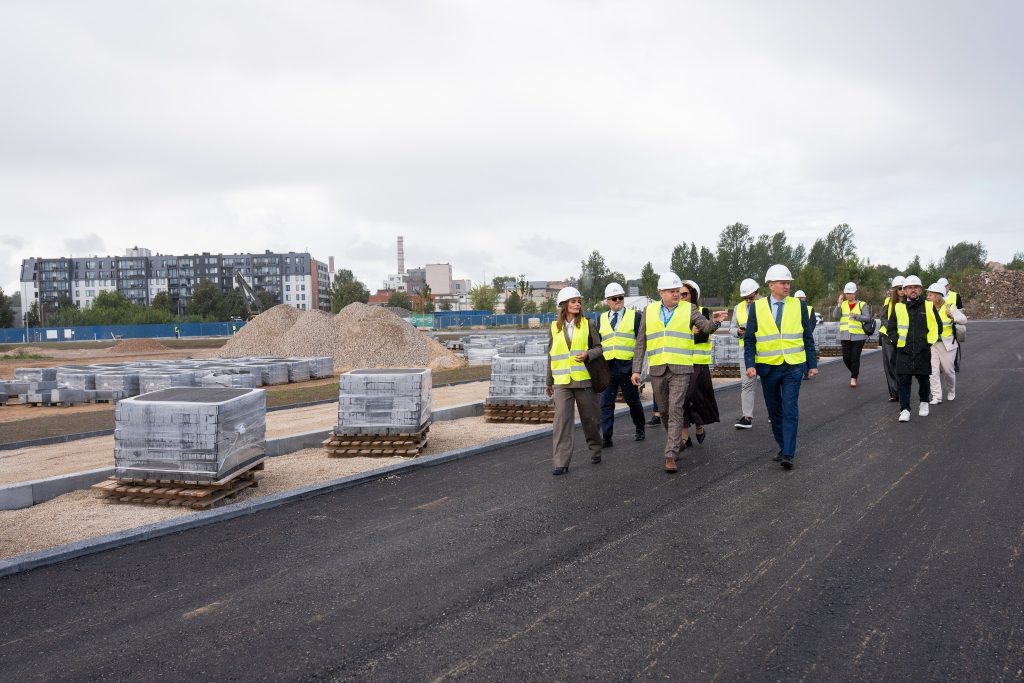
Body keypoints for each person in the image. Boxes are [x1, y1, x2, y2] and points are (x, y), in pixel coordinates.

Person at [631, 272, 728, 473]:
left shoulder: (689, 309)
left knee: (676, 408)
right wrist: (636, 369)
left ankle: (670, 454)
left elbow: (706, 327)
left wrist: (716, 322)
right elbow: (641, 342)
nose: (676, 295)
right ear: (661, 292)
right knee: (664, 411)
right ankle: (676, 441)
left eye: (677, 291)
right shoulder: (649, 311)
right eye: (671, 291)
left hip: (682, 368)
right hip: (658, 368)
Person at [743, 264, 818, 469]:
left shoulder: (799, 306)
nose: (787, 286)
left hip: (794, 366)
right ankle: (783, 445)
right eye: (783, 283)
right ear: (771, 285)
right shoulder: (757, 308)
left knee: (789, 407)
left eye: (789, 283)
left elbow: (807, 337)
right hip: (768, 367)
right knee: (774, 410)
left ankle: (788, 453)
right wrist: (750, 364)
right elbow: (749, 339)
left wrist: (812, 363)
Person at [546, 286, 603, 475]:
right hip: (562, 382)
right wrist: (549, 381)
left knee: (590, 420)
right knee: (561, 421)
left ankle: (595, 448)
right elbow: (551, 355)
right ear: (563, 305)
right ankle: (561, 462)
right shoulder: (554, 328)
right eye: (573, 301)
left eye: (578, 301)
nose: (577, 304)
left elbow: (599, 348)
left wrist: (588, 354)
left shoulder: (589, 324)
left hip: (584, 380)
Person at [598, 282, 646, 447]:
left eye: (620, 297)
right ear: (608, 301)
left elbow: (641, 343)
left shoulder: (635, 317)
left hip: (627, 367)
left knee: (632, 400)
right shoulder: (601, 319)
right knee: (605, 403)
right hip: (608, 368)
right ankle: (606, 436)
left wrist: (637, 369)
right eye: (614, 298)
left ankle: (640, 427)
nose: (618, 300)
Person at [886, 275, 939, 422]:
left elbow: (937, 326)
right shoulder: (898, 307)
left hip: (922, 351)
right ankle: (904, 410)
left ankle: (924, 402)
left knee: (923, 379)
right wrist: (897, 342)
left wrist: (927, 343)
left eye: (915, 287)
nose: (913, 290)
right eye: (910, 287)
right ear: (905, 290)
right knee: (904, 382)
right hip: (904, 351)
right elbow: (891, 329)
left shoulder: (928, 306)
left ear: (920, 289)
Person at [678, 280, 720, 450]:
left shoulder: (702, 311)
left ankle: (699, 425)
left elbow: (703, 336)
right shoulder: (677, 314)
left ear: (693, 295)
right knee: (683, 399)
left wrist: (687, 334)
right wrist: (690, 332)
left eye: (685, 294)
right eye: (679, 294)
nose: (681, 297)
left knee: (697, 398)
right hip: (682, 363)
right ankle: (684, 436)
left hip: (699, 364)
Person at [925, 282, 966, 405]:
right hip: (932, 344)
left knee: (948, 371)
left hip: (947, 344)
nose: (927, 296)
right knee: (933, 371)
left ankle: (951, 390)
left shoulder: (949, 306)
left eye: (930, 294)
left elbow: (964, 320)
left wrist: (952, 316)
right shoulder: (927, 307)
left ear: (937, 296)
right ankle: (936, 396)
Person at [730, 278, 760, 428]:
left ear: (757, 292)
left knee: (772, 383)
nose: (748, 301)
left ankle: (776, 414)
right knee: (747, 383)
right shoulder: (738, 308)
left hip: (766, 349)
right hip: (746, 351)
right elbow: (731, 328)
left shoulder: (767, 305)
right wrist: (737, 331)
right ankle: (747, 417)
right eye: (745, 298)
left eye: (751, 297)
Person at [833, 282, 873, 388]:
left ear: (855, 293)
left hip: (858, 335)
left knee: (855, 357)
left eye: (850, 293)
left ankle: (853, 378)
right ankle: (855, 372)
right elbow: (835, 316)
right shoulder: (843, 304)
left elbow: (867, 318)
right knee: (846, 358)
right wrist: (839, 304)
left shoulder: (862, 304)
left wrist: (856, 316)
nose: (848, 295)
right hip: (845, 335)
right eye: (847, 293)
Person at [878, 276, 905, 402]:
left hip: (902, 337)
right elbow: (883, 317)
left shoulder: (909, 302)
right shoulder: (888, 301)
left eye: (904, 288)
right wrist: (891, 330)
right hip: (888, 336)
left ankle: (903, 390)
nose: (902, 290)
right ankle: (894, 393)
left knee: (902, 365)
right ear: (895, 290)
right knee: (889, 364)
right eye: (899, 288)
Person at [794, 290, 817, 380]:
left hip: (806, 334)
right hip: (796, 335)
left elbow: (812, 322)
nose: (799, 300)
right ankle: (801, 371)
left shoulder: (809, 308)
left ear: (805, 298)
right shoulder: (791, 309)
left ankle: (806, 371)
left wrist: (808, 332)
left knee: (807, 352)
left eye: (801, 298)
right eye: (798, 298)